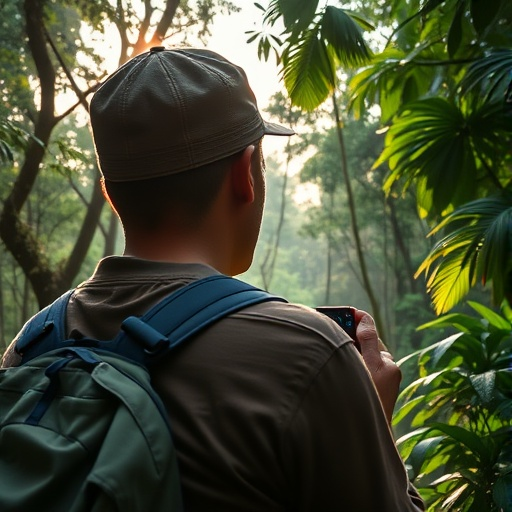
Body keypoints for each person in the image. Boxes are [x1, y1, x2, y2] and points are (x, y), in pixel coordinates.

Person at [2, 47, 424, 511]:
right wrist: (372, 424)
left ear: (110, 193)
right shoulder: (310, 355)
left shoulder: (31, 346)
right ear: (246, 173)